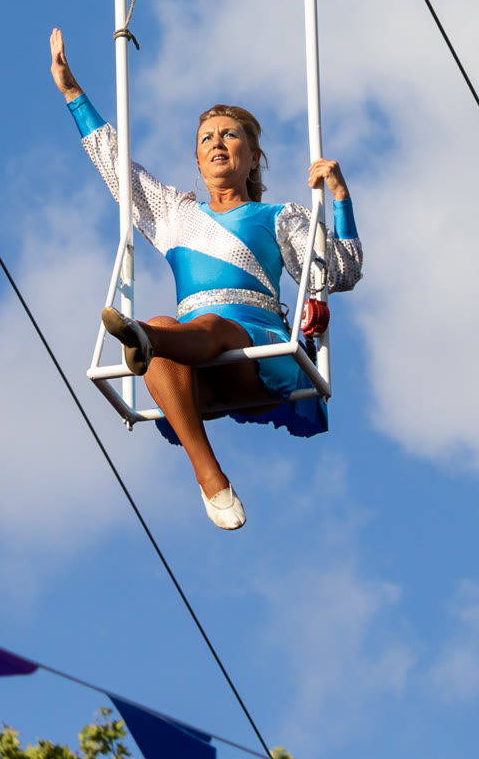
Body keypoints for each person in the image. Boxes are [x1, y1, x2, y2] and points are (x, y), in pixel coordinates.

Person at [48, 28, 360, 531]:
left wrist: (340, 199)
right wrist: (72, 93)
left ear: (253, 157)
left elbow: (339, 272)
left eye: (230, 135)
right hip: (193, 373)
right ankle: (208, 474)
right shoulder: (176, 215)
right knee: (163, 328)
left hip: (255, 355)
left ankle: (146, 339)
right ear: (197, 159)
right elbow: (118, 169)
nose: (217, 142)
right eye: (206, 138)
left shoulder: (280, 216)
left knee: (203, 327)